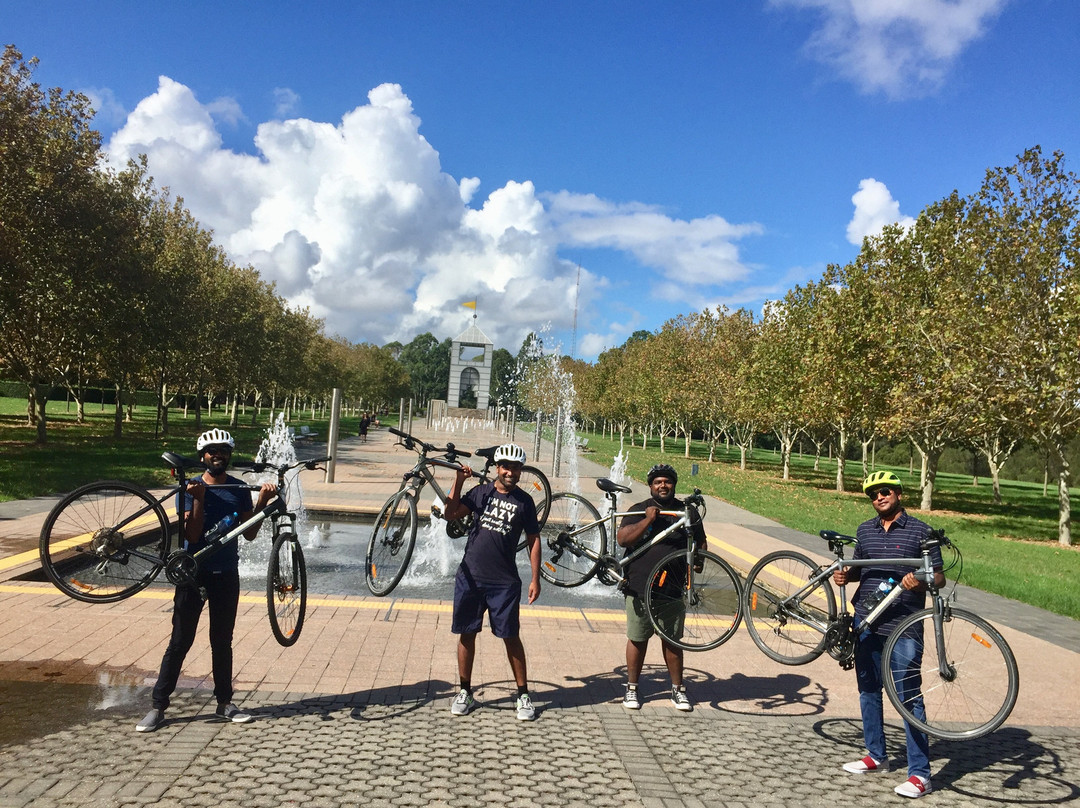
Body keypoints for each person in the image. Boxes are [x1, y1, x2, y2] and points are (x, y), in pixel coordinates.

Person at [136, 429, 278, 732]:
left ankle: (225, 703)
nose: (218, 455)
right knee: (180, 641)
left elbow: (249, 533)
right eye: (212, 451)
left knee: (222, 641)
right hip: (193, 574)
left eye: (223, 451)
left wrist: (262, 501)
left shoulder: (238, 488)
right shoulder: (190, 489)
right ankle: (158, 706)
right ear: (202, 456)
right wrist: (198, 500)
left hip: (226, 574)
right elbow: (191, 536)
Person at [833, 471, 945, 799]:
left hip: (904, 625)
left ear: (898, 494)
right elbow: (861, 567)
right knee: (868, 690)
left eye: (884, 492)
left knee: (908, 696)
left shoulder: (921, 531)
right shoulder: (865, 530)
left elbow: (937, 578)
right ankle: (876, 756)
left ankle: (920, 775)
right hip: (867, 621)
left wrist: (920, 580)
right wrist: (846, 576)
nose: (879, 497)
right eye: (873, 494)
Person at [441, 443, 542, 721]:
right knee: (466, 633)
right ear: (498, 468)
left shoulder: (525, 502)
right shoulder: (481, 493)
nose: (510, 471)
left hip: (504, 582)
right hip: (471, 577)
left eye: (516, 467)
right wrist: (459, 480)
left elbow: (533, 540)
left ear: (521, 471)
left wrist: (535, 578)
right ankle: (465, 691)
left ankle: (523, 695)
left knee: (510, 636)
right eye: (506, 466)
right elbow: (451, 513)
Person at [616, 463, 706, 712]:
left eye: (667, 481)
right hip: (639, 585)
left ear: (674, 485)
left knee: (673, 641)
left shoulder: (687, 512)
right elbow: (623, 539)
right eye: (658, 482)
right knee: (637, 638)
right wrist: (647, 519)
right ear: (651, 486)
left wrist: (698, 562)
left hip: (673, 587)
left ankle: (678, 690)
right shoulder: (638, 509)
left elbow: (700, 543)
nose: (663, 485)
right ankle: (631, 688)